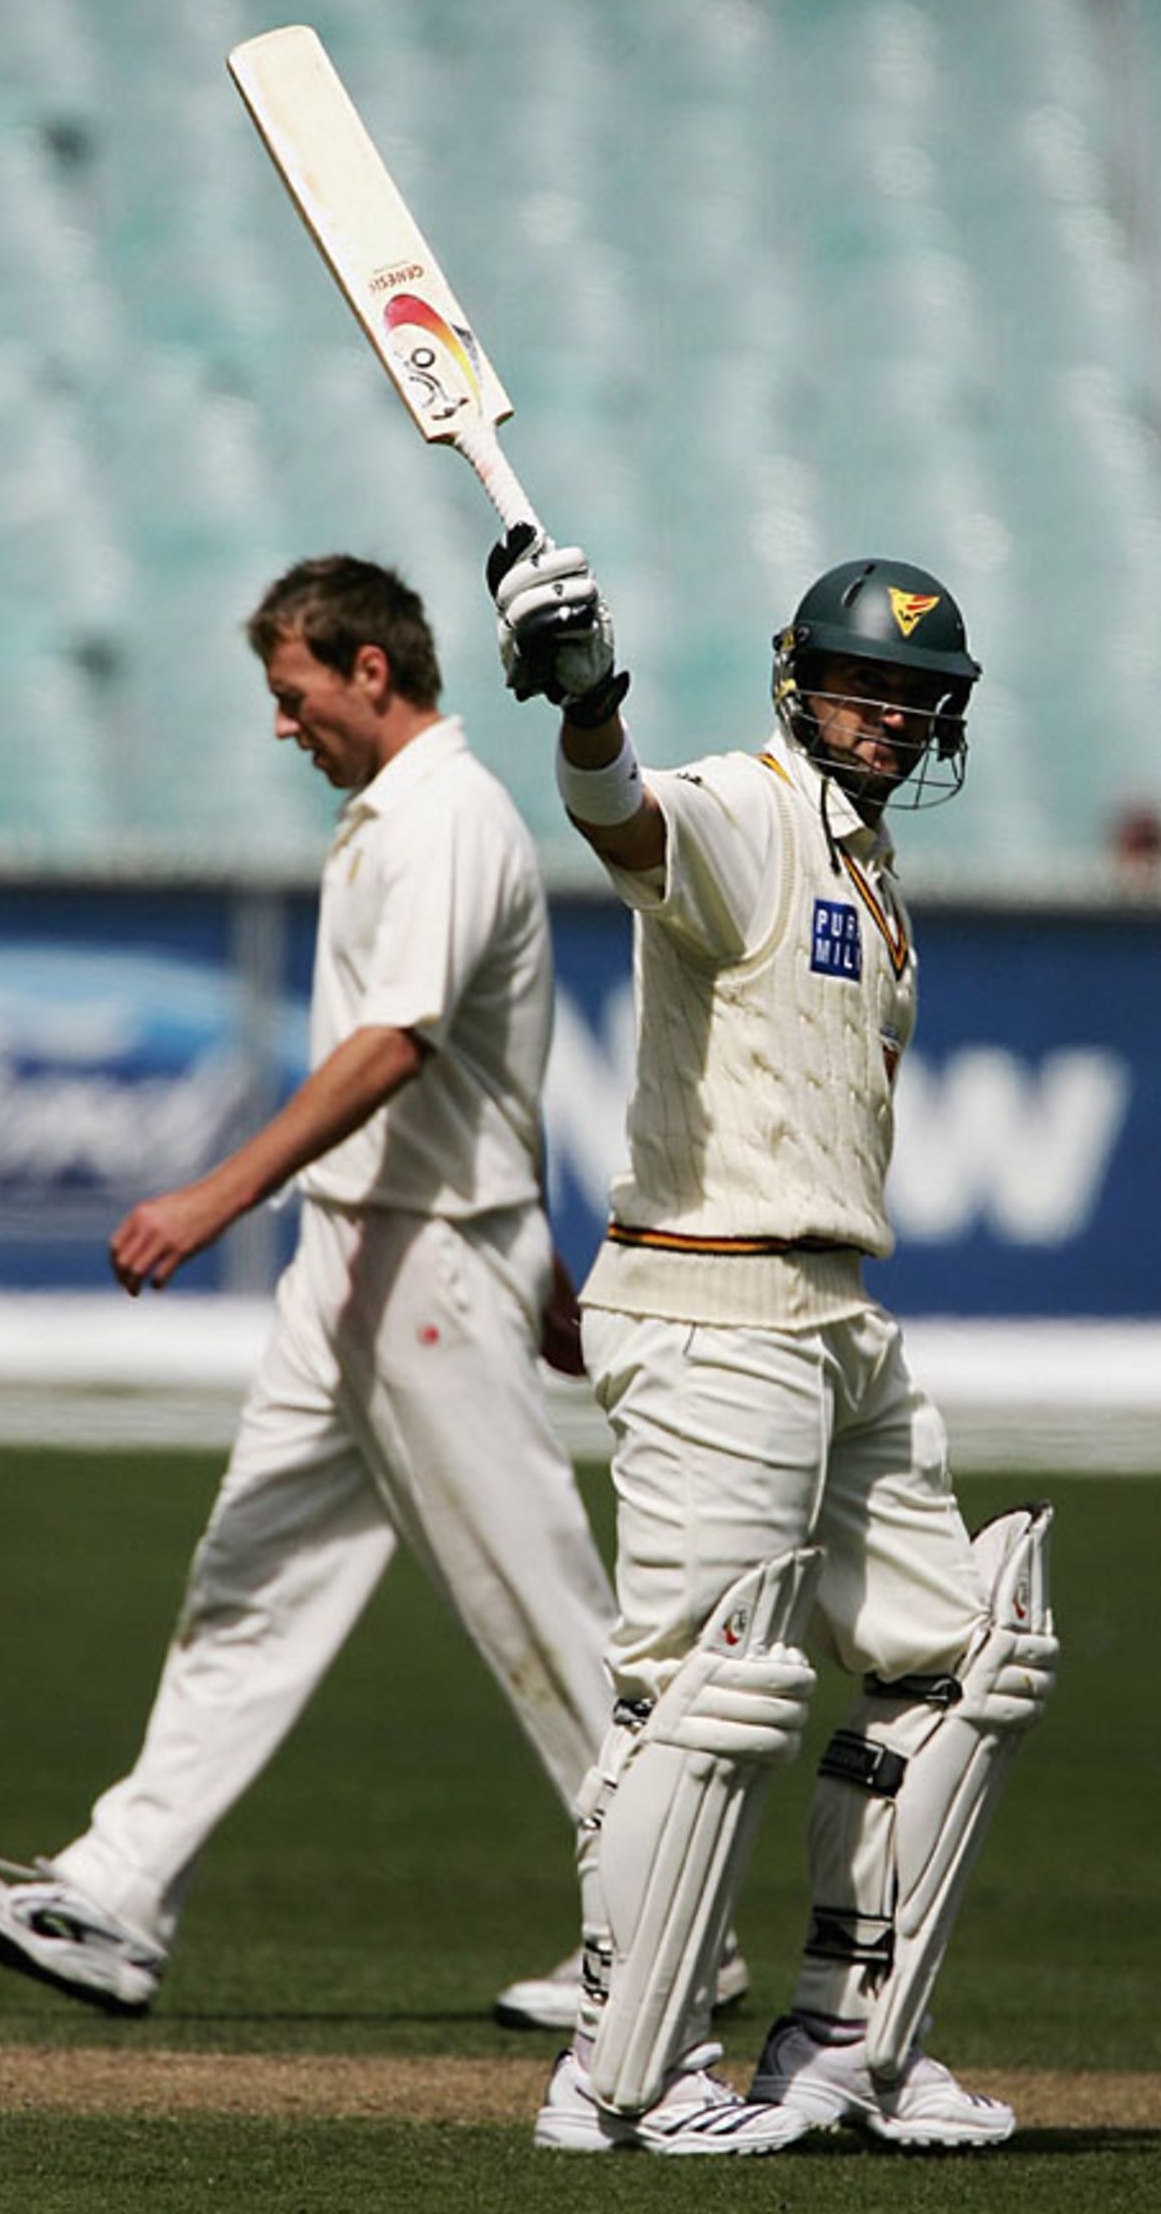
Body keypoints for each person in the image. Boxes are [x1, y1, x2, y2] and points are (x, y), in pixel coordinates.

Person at [0, 553, 658, 2033]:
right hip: (376, 1253)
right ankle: (118, 1895)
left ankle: (665, 1938)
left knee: (546, 1611)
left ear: (369, 671)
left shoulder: (449, 812)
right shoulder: (399, 813)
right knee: (250, 1574)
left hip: (420, 1262)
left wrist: (211, 1194)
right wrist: (546, 1262)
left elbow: (400, 1047)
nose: (283, 723)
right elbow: (489, 1078)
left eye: (294, 691)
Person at [485, 532, 1059, 2156]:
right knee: (707, 1693)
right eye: (863, 683)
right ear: (800, 681)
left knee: (968, 1656)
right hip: (711, 1300)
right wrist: (588, 703)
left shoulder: (874, 878)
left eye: (915, 697)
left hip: (837, 1318)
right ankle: (627, 2073)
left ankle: (846, 2044)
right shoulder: (746, 809)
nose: (884, 715)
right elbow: (625, 816)